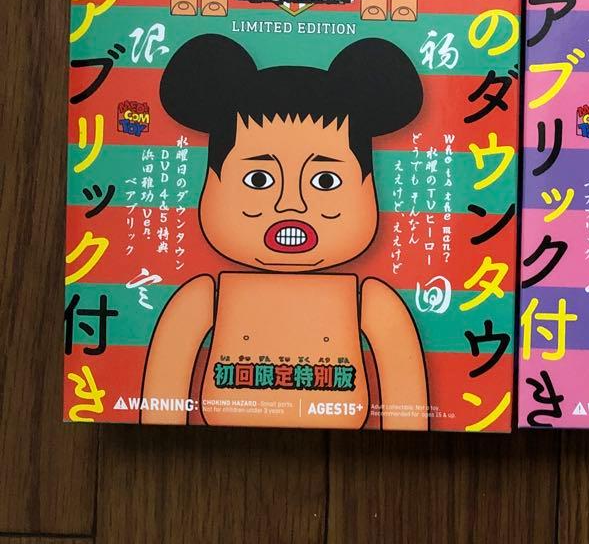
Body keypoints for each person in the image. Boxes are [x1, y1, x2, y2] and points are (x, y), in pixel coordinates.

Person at [141, 35, 429, 428]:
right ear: (211, 183)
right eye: (258, 179)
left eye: (325, 181)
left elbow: (408, 412)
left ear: (368, 186)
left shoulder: (372, 304)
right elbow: (160, 405)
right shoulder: (203, 299)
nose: (290, 205)